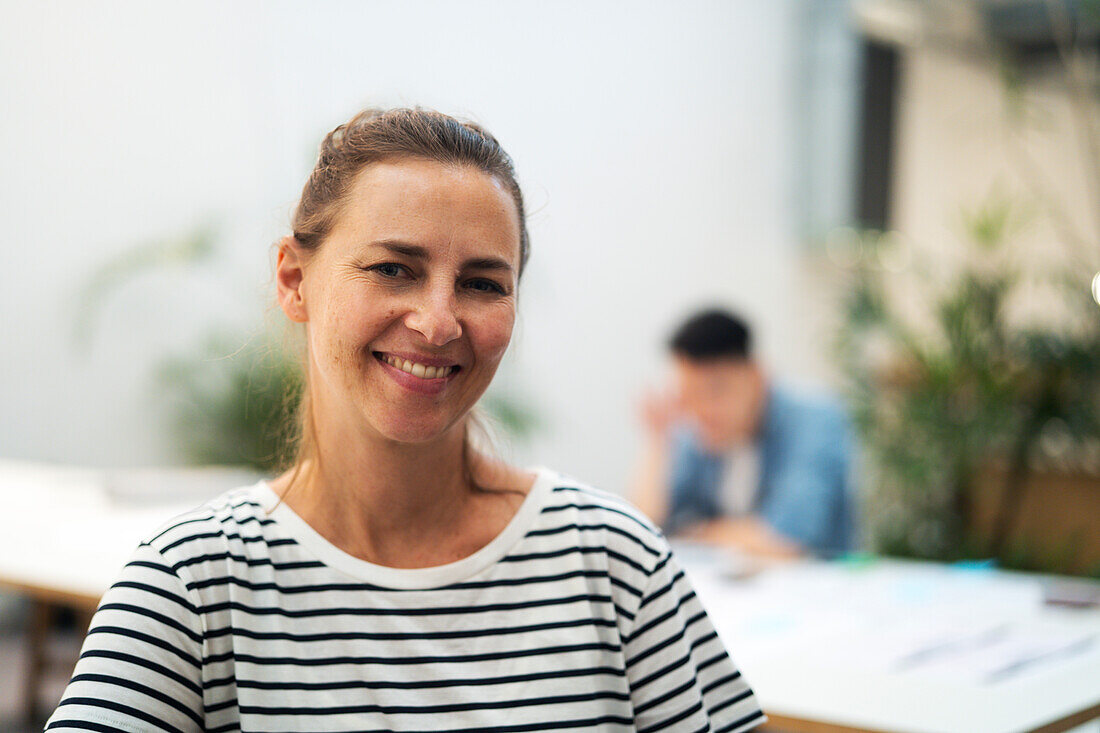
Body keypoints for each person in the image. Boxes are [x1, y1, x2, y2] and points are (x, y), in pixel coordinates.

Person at [46, 109, 765, 732]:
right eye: (394, 268)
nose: (437, 320)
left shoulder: (615, 562)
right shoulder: (191, 586)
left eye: (483, 282)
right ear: (294, 280)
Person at [632, 309, 855, 559]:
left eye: (715, 392)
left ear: (756, 376)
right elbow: (643, 529)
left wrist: (695, 532)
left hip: (818, 586)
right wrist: (658, 442)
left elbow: (784, 540)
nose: (702, 409)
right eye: (689, 395)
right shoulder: (697, 429)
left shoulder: (815, 417)